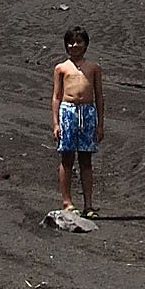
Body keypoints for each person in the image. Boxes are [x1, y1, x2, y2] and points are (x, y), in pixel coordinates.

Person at [51, 24, 104, 215]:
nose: (75, 45)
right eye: (71, 42)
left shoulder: (94, 68)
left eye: (79, 42)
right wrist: (56, 123)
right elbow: (56, 96)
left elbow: (99, 96)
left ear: (85, 44)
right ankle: (67, 202)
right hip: (68, 111)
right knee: (66, 158)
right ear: (66, 45)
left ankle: (88, 204)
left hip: (88, 113)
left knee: (86, 160)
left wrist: (100, 124)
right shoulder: (61, 68)